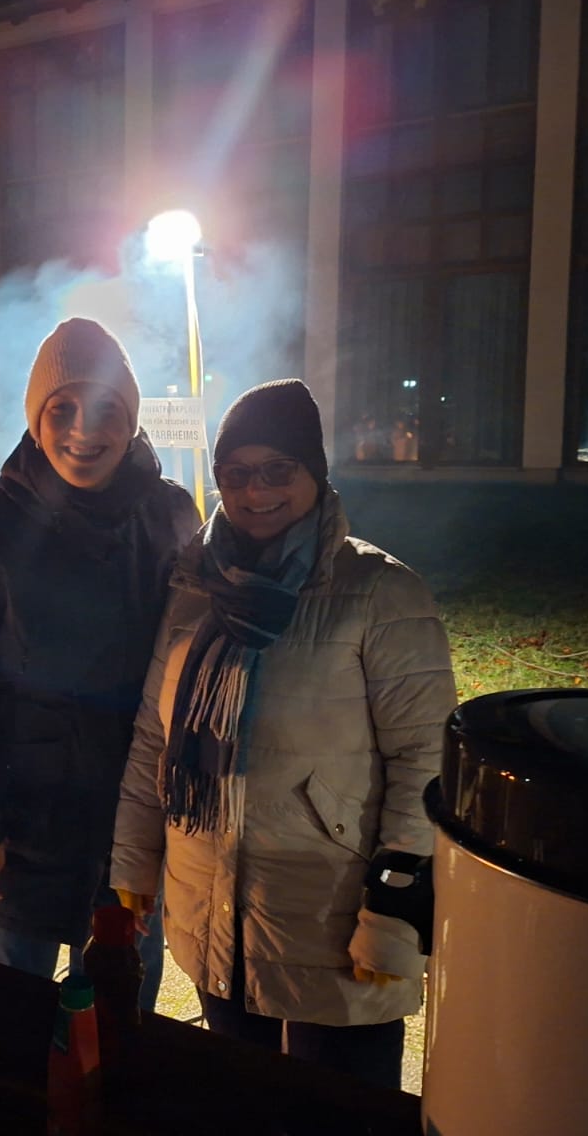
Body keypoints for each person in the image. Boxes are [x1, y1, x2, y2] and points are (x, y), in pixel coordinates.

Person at [109, 379, 455, 1089]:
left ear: (315, 475)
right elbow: (153, 736)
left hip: (332, 910)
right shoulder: (195, 585)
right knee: (244, 1098)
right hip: (212, 902)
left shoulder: (380, 592)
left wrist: (394, 909)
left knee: (340, 1110)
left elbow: (425, 761)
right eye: (237, 473)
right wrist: (134, 863)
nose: (256, 490)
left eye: (277, 470)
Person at [0, 317, 198, 1007]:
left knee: (121, 1000)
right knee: (15, 1000)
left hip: (135, 814)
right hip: (25, 823)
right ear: (36, 419)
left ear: (131, 420)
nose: (83, 430)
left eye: (106, 409)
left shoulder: (170, 515)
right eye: (62, 408)